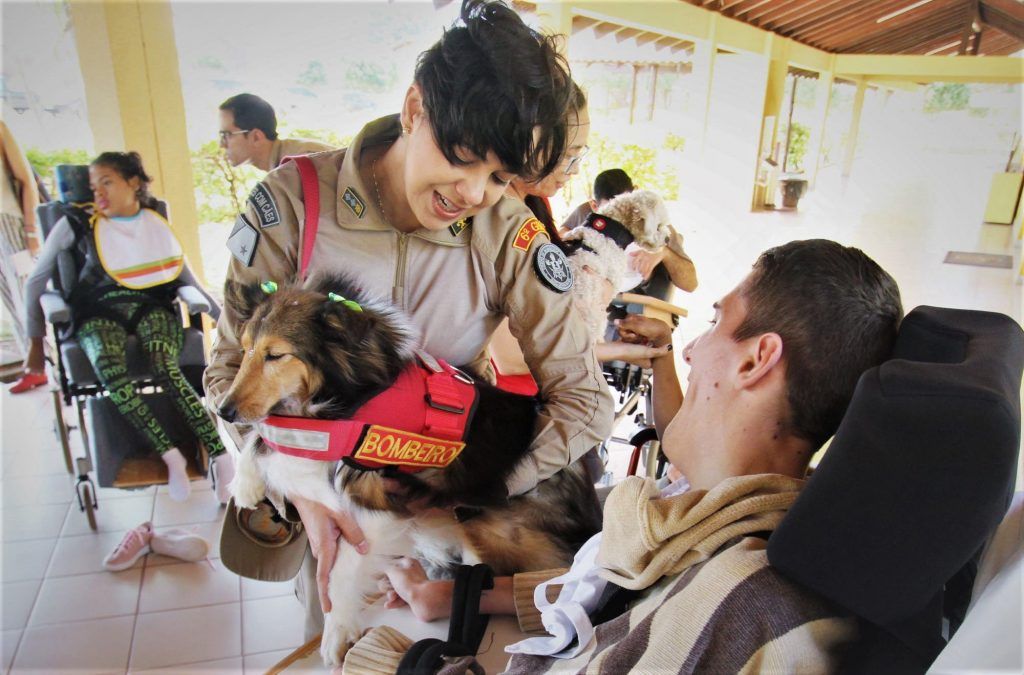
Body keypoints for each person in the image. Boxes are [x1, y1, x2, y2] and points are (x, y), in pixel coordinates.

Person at [205, 0, 612, 642]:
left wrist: (476, 483)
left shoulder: (509, 236)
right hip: (330, 515)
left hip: (461, 539)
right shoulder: (292, 208)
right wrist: (310, 497)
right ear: (416, 108)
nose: (475, 194)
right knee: (345, 650)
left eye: (501, 176)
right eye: (464, 157)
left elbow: (586, 404)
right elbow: (228, 373)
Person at [375, 238, 904, 673]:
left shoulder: (736, 598)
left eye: (716, 322)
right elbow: (611, 599)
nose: (693, 349)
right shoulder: (708, 519)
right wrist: (457, 596)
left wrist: (399, 665)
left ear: (756, 361)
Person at [16, 152, 231, 505]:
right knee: (111, 374)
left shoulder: (153, 224)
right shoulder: (75, 223)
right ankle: (170, 456)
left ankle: (221, 458)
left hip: (153, 308)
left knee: (166, 368)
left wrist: (229, 325)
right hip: (97, 312)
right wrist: (35, 343)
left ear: (133, 183)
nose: (98, 192)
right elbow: (36, 281)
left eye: (107, 182)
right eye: (92, 185)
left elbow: (187, 279)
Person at [1, 121, 41, 372]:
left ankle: (52, 366)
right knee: (8, 298)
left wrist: (31, 230)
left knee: (26, 294)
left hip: (10, 223)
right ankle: (33, 370)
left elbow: (26, 180)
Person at [218, 93, 333, 172]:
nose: (222, 145)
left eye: (226, 135)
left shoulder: (301, 162)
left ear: (256, 137)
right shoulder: (282, 168)